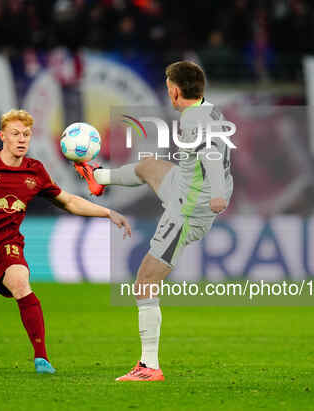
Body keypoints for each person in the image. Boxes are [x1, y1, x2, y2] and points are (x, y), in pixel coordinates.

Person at [0, 109, 131, 373]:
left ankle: (42, 358)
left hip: (7, 245)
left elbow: (67, 200)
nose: (21, 139)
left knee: (21, 283)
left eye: (26, 134)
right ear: (2, 136)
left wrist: (107, 212)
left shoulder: (35, 171)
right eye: (15, 134)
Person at [74, 61, 234, 381]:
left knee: (145, 281)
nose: (167, 91)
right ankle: (99, 177)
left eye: (167, 86)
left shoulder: (193, 122)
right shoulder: (210, 112)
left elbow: (213, 155)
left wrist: (218, 193)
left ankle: (149, 366)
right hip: (185, 185)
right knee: (149, 167)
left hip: (187, 210)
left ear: (175, 91)